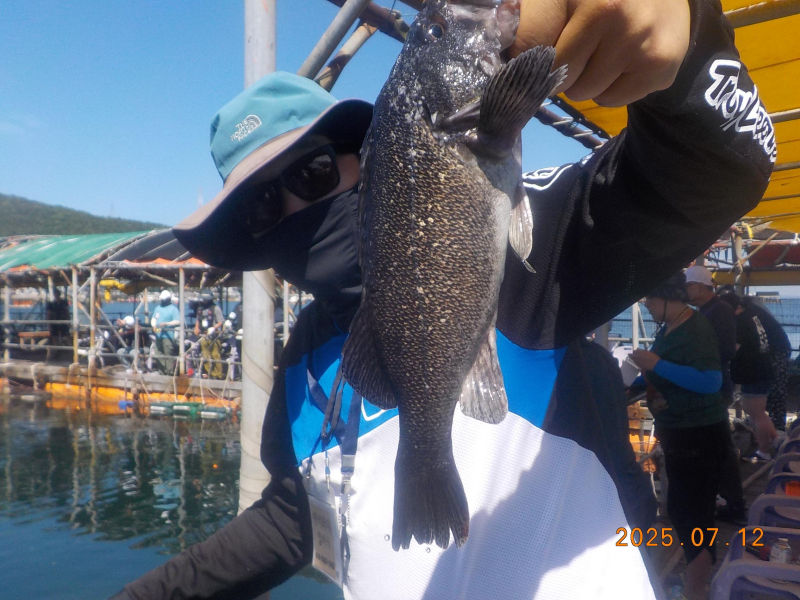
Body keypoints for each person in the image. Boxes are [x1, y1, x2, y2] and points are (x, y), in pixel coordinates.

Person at [116, 1, 774, 598]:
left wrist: (690, 43)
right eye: (262, 208)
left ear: (365, 156)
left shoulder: (528, 248)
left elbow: (711, 173)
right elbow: (292, 521)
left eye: (311, 174)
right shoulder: (302, 358)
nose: (292, 210)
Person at [630, 274, 728, 600]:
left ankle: (696, 589)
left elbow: (711, 382)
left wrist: (655, 362)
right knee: (683, 510)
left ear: (667, 297)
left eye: (649, 298)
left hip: (698, 436)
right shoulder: (670, 326)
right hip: (679, 434)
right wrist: (634, 379)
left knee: (693, 515)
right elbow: (665, 371)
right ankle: (694, 581)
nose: (645, 304)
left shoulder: (695, 328)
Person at [684, 265, 746, 523]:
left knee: (719, 447)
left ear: (700, 286)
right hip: (712, 386)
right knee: (716, 447)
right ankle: (725, 501)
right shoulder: (709, 311)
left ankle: (733, 505)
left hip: (715, 389)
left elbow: (727, 350)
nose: (685, 292)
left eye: (688, 286)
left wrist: (696, 361)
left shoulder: (719, 310)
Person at [720, 293, 778, 461]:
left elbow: (733, 350)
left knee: (756, 414)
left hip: (753, 372)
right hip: (761, 369)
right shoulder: (751, 315)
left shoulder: (740, 322)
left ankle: (763, 451)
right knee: (759, 413)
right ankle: (776, 441)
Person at [194, 295, 225, 379]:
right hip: (204, 335)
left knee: (215, 355)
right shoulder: (200, 309)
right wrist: (196, 327)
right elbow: (198, 319)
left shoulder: (216, 309)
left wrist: (214, 328)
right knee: (205, 354)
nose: (205, 301)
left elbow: (221, 321)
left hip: (214, 336)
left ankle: (217, 374)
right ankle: (208, 372)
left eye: (206, 300)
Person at [151, 290, 181, 375]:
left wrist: (167, 323)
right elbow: (153, 318)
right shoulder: (158, 308)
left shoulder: (173, 309)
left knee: (168, 355)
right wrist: (153, 325)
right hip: (158, 334)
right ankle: (162, 371)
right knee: (157, 353)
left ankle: (170, 373)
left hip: (169, 336)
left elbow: (177, 321)